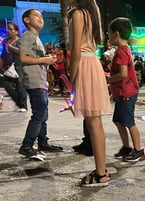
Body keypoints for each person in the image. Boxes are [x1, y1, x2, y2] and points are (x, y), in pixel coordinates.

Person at [68, 0, 111, 187]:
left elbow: (75, 51)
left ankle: (101, 174)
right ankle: (101, 170)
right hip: (93, 63)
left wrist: (72, 76)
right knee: (96, 122)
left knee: (93, 123)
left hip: (84, 65)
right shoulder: (92, 12)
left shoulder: (78, 14)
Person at [18, 9, 63, 158]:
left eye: (42, 16)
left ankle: (43, 142)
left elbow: (35, 58)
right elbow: (23, 58)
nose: (40, 18)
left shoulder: (36, 38)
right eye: (36, 15)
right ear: (26, 20)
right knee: (39, 114)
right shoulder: (27, 36)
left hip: (41, 81)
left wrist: (49, 60)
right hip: (34, 81)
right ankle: (27, 145)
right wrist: (44, 59)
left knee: (43, 114)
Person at [107, 17, 145, 163]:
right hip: (122, 93)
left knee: (129, 122)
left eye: (109, 34)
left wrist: (107, 80)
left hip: (127, 93)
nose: (109, 37)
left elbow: (123, 74)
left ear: (116, 34)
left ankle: (138, 151)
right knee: (118, 120)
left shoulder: (122, 52)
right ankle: (126, 147)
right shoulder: (123, 50)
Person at [0, 22, 27, 112]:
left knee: (20, 87)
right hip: (7, 67)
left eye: (11, 29)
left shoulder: (20, 41)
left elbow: (22, 52)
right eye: (8, 29)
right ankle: (19, 103)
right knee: (8, 86)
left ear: (16, 31)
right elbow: (3, 54)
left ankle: (23, 106)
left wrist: (11, 47)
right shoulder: (5, 41)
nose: (9, 31)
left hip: (18, 66)